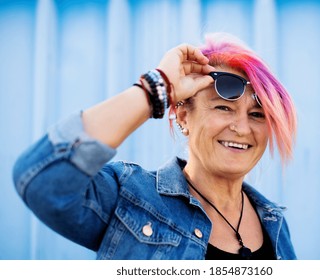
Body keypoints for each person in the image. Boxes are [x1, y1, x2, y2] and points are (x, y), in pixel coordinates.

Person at [13, 33, 297, 260]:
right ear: (183, 116)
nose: (243, 128)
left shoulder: (274, 223)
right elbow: (42, 181)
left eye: (257, 114)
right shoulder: (133, 199)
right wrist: (157, 88)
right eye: (223, 108)